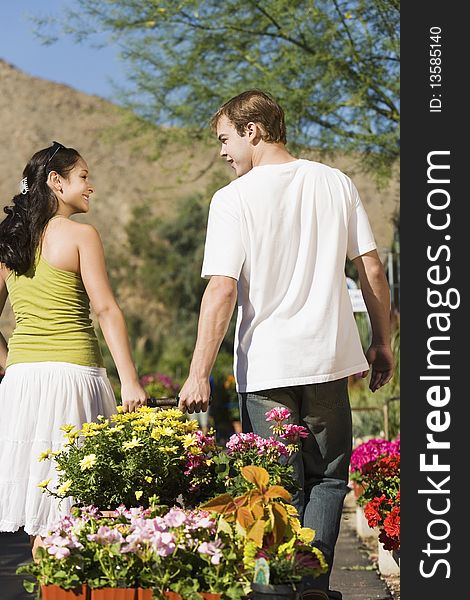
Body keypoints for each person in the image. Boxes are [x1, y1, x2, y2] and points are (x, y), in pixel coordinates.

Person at [177, 91, 394, 600]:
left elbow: (222, 289)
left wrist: (197, 371)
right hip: (328, 364)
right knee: (327, 480)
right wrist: (383, 343)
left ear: (253, 131)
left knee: (274, 488)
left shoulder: (233, 199)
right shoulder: (334, 182)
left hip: (269, 370)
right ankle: (313, 588)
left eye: (226, 139)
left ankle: (276, 592)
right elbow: (373, 269)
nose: (223, 152)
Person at [0, 142, 147, 554]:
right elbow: (105, 309)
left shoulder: (10, 242)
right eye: (83, 176)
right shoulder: (82, 236)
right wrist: (130, 381)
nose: (91, 186)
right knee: (77, 508)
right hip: (73, 379)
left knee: (43, 509)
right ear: (56, 182)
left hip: (23, 383)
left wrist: (11, 364)